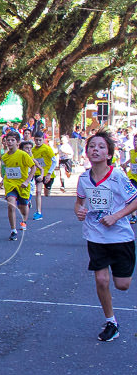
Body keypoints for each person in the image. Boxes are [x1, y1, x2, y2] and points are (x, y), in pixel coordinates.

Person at [75, 131, 137, 342]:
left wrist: (116, 216)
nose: (96, 150)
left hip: (120, 237)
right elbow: (79, 202)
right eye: (92, 146)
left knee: (122, 285)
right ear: (87, 152)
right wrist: (79, 211)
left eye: (101, 147)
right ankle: (111, 321)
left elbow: (135, 200)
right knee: (102, 280)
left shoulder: (118, 176)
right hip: (96, 236)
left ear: (109, 154)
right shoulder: (84, 178)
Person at [0, 131, 38, 240]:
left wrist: (27, 181)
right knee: (11, 204)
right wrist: (2, 181)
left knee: (23, 208)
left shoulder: (23, 155)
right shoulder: (5, 157)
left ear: (18, 142)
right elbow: (8, 171)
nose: (9, 142)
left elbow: (33, 167)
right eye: (8, 140)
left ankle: (24, 220)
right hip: (10, 184)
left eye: (12, 140)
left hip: (22, 185)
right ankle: (13, 230)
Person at [31, 131, 56, 219]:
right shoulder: (33, 150)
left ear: (43, 140)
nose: (38, 142)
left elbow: (54, 161)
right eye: (36, 140)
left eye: (40, 140)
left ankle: (48, 189)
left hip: (48, 173)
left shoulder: (47, 149)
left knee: (47, 194)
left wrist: (49, 173)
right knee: (38, 191)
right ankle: (38, 212)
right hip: (38, 173)